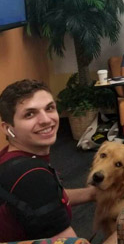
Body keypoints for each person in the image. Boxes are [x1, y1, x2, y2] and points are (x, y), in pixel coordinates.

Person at [0, 79, 111, 242]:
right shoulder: (32, 177)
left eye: (49, 108)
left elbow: (50, 197)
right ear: (8, 128)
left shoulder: (9, 158)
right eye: (29, 114)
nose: (46, 120)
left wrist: (93, 193)